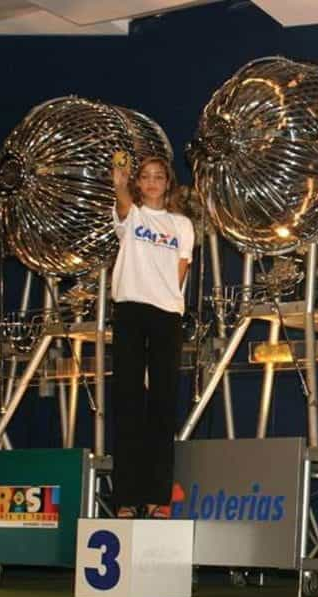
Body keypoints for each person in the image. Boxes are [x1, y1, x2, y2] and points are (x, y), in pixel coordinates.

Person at [110, 154, 194, 519]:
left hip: (166, 316)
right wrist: (119, 180)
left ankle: (158, 496)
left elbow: (181, 267)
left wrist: (164, 299)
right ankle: (126, 497)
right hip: (130, 311)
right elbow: (123, 205)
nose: (154, 182)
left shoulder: (182, 224)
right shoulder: (132, 216)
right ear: (138, 183)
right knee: (128, 402)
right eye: (146, 177)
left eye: (160, 176)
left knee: (162, 404)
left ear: (168, 182)